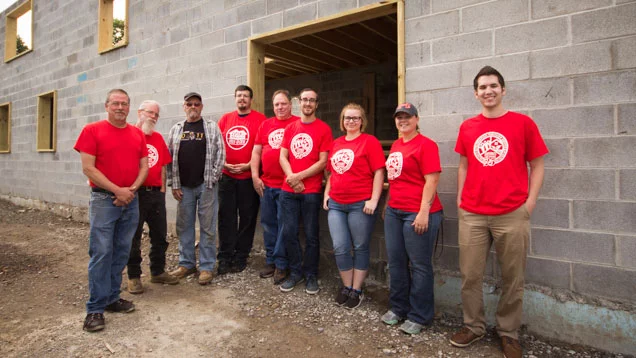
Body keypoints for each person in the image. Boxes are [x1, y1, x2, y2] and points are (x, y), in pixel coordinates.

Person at [449, 66, 548, 358]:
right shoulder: (468, 127)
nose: (488, 91)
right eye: (482, 87)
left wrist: (528, 204)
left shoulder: (523, 124)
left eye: (493, 86)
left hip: (512, 213)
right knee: (470, 274)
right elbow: (464, 164)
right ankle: (473, 326)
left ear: (503, 90)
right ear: (475, 93)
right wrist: (460, 198)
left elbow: (538, 165)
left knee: (513, 276)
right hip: (473, 213)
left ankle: (508, 332)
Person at [74, 89, 148, 332]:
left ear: (129, 107)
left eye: (124, 104)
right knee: (102, 252)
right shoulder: (91, 130)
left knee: (121, 252)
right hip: (104, 201)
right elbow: (89, 169)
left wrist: (130, 190)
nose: (120, 107)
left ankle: (111, 298)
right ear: (106, 106)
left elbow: (144, 166)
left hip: (131, 200)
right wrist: (118, 190)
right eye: (115, 103)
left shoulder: (137, 134)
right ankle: (94, 309)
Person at [381, 102, 443, 335]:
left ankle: (420, 315)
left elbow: (432, 180)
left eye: (407, 116)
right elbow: (395, 179)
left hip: (417, 213)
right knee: (396, 263)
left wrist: (424, 211)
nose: (403, 120)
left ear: (417, 119)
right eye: (399, 117)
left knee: (419, 266)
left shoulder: (426, 145)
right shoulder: (397, 144)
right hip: (395, 212)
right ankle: (398, 308)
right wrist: (387, 204)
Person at [322, 103, 385, 309]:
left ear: (362, 121)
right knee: (340, 246)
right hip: (337, 203)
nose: (351, 121)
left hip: (360, 204)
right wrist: (327, 194)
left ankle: (357, 289)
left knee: (359, 246)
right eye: (347, 118)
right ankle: (346, 286)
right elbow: (332, 172)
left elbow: (378, 172)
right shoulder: (336, 143)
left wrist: (374, 199)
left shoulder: (369, 142)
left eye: (355, 118)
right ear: (342, 121)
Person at [167, 92, 225, 285]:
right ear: (184, 107)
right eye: (189, 104)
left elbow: (220, 153)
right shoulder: (176, 129)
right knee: (184, 226)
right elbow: (170, 158)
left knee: (208, 227)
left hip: (206, 185)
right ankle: (187, 263)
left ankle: (207, 267)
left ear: (202, 107)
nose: (193, 107)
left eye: (196, 104)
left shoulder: (210, 127)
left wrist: (213, 178)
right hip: (183, 187)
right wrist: (174, 183)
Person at [278, 88, 333, 294]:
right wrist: (292, 179)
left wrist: (297, 177)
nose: (308, 103)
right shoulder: (291, 128)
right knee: (289, 233)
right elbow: (283, 157)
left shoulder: (324, 129)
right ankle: (295, 273)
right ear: (298, 103)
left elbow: (323, 162)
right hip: (288, 191)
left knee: (311, 235)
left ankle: (311, 274)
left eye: (312, 100)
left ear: (316, 104)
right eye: (304, 100)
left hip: (310, 192)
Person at [126, 100, 179, 294]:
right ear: (140, 112)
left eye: (156, 115)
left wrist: (163, 191)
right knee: (134, 237)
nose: (154, 117)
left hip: (156, 194)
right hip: (135, 194)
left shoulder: (157, 138)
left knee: (160, 236)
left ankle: (157, 271)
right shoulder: (129, 134)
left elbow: (164, 166)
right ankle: (133, 276)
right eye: (150, 113)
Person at [250, 89, 299, 284]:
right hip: (267, 184)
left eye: (283, 104)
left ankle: (281, 263)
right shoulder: (265, 125)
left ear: (290, 105)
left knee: (283, 226)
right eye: (277, 104)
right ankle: (270, 260)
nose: (280, 107)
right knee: (268, 224)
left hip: (286, 186)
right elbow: (256, 153)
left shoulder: (296, 124)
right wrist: (255, 176)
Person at [217, 85, 266, 274]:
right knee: (226, 218)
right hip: (227, 177)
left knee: (247, 218)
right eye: (239, 96)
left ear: (251, 100)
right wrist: (223, 164)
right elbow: (218, 146)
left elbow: (262, 149)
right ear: (235, 98)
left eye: (246, 96)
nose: (242, 99)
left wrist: (249, 166)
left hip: (248, 178)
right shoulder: (226, 119)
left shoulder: (260, 120)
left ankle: (241, 256)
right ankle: (224, 256)